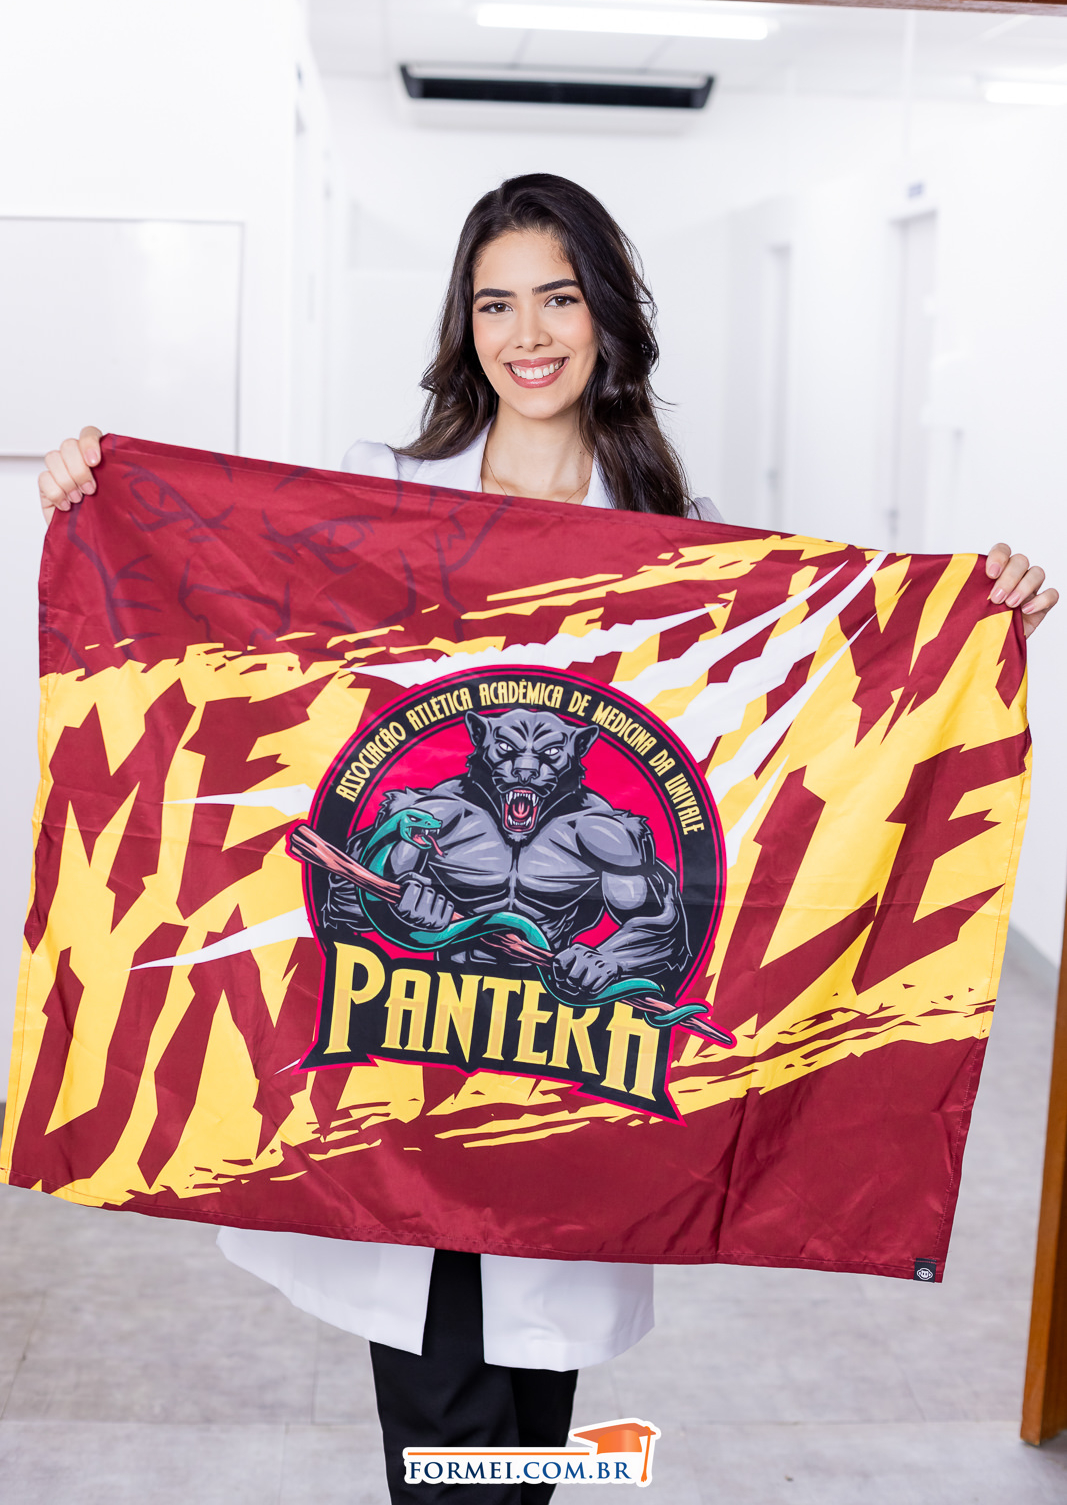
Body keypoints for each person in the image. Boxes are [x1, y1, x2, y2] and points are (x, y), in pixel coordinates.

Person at [38, 174, 1058, 1505]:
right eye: (495, 304)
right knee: (451, 1402)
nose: (528, 334)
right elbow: (243, 640)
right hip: (403, 1058)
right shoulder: (379, 505)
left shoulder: (683, 559)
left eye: (559, 298)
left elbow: (818, 720)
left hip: (573, 1072)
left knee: (525, 1409)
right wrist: (100, 491)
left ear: (606, 318)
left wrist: (976, 617)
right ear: (463, 327)